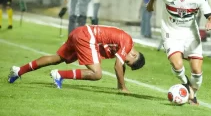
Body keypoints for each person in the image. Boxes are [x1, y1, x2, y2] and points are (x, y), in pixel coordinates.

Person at [147, 0, 211, 105]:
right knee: (177, 64)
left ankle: (193, 93)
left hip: (190, 34)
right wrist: (150, 4)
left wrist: (210, 23)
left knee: (196, 70)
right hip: (170, 32)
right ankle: (185, 84)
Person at [8, 25, 146, 92]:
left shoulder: (125, 46)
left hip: (80, 32)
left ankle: (19, 71)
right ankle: (59, 75)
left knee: (57, 58)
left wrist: (119, 85)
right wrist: (123, 87)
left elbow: (120, 65)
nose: (124, 62)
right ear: (134, 54)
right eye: (128, 61)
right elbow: (118, 65)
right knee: (97, 74)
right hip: (87, 36)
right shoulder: (127, 42)